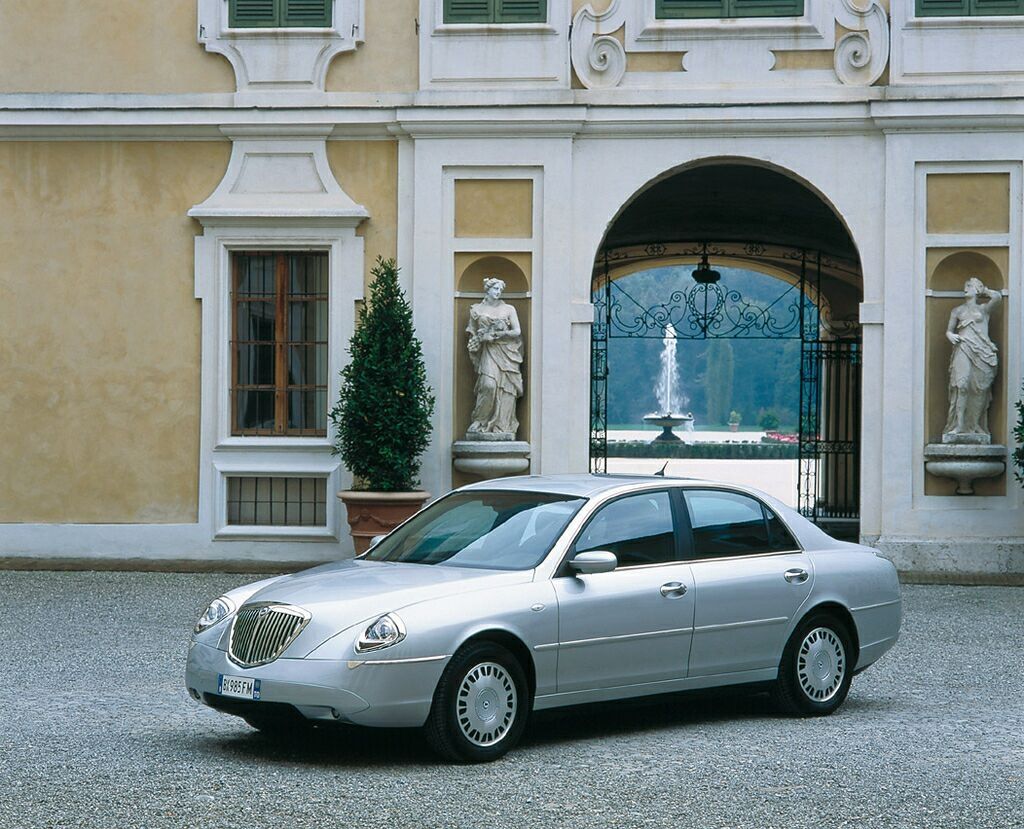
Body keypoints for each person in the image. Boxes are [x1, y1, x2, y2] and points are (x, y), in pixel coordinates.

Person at [943, 277, 1001, 440]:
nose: (965, 288)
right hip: (963, 346)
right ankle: (958, 425)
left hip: (982, 351)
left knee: (980, 389)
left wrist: (985, 290)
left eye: (969, 285)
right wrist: (951, 335)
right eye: (965, 285)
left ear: (977, 289)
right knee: (961, 384)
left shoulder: (983, 309)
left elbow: (997, 298)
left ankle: (974, 424)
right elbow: (948, 330)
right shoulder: (957, 311)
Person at [466, 277, 523, 439]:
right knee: (488, 385)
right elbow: (474, 336)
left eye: (500, 290)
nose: (498, 292)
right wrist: (483, 337)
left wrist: (499, 334)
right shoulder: (476, 309)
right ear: (487, 289)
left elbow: (517, 331)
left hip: (507, 352)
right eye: (495, 289)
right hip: (488, 351)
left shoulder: (509, 309)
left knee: (506, 388)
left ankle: (502, 424)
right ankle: (479, 420)